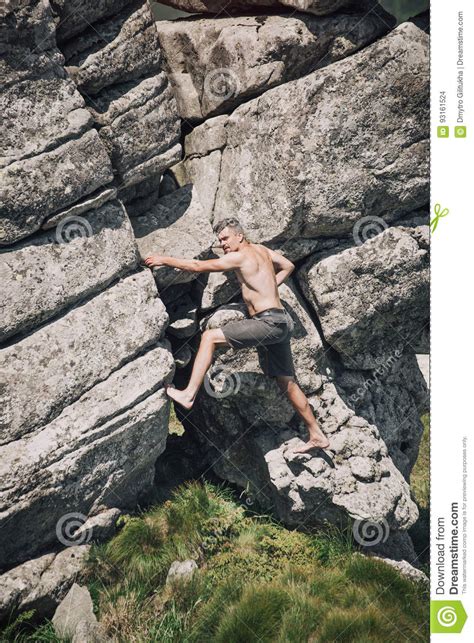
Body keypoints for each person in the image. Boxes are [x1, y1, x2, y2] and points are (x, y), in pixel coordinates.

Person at [144, 218, 330, 453]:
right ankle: (316, 434)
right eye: (220, 240)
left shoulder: (239, 256)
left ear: (239, 236)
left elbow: (197, 266)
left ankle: (188, 394)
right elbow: (288, 265)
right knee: (286, 382)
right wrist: (269, 286)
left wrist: (163, 260)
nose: (223, 244)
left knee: (210, 337)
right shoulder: (262, 250)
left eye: (225, 239)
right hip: (281, 321)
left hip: (269, 322)